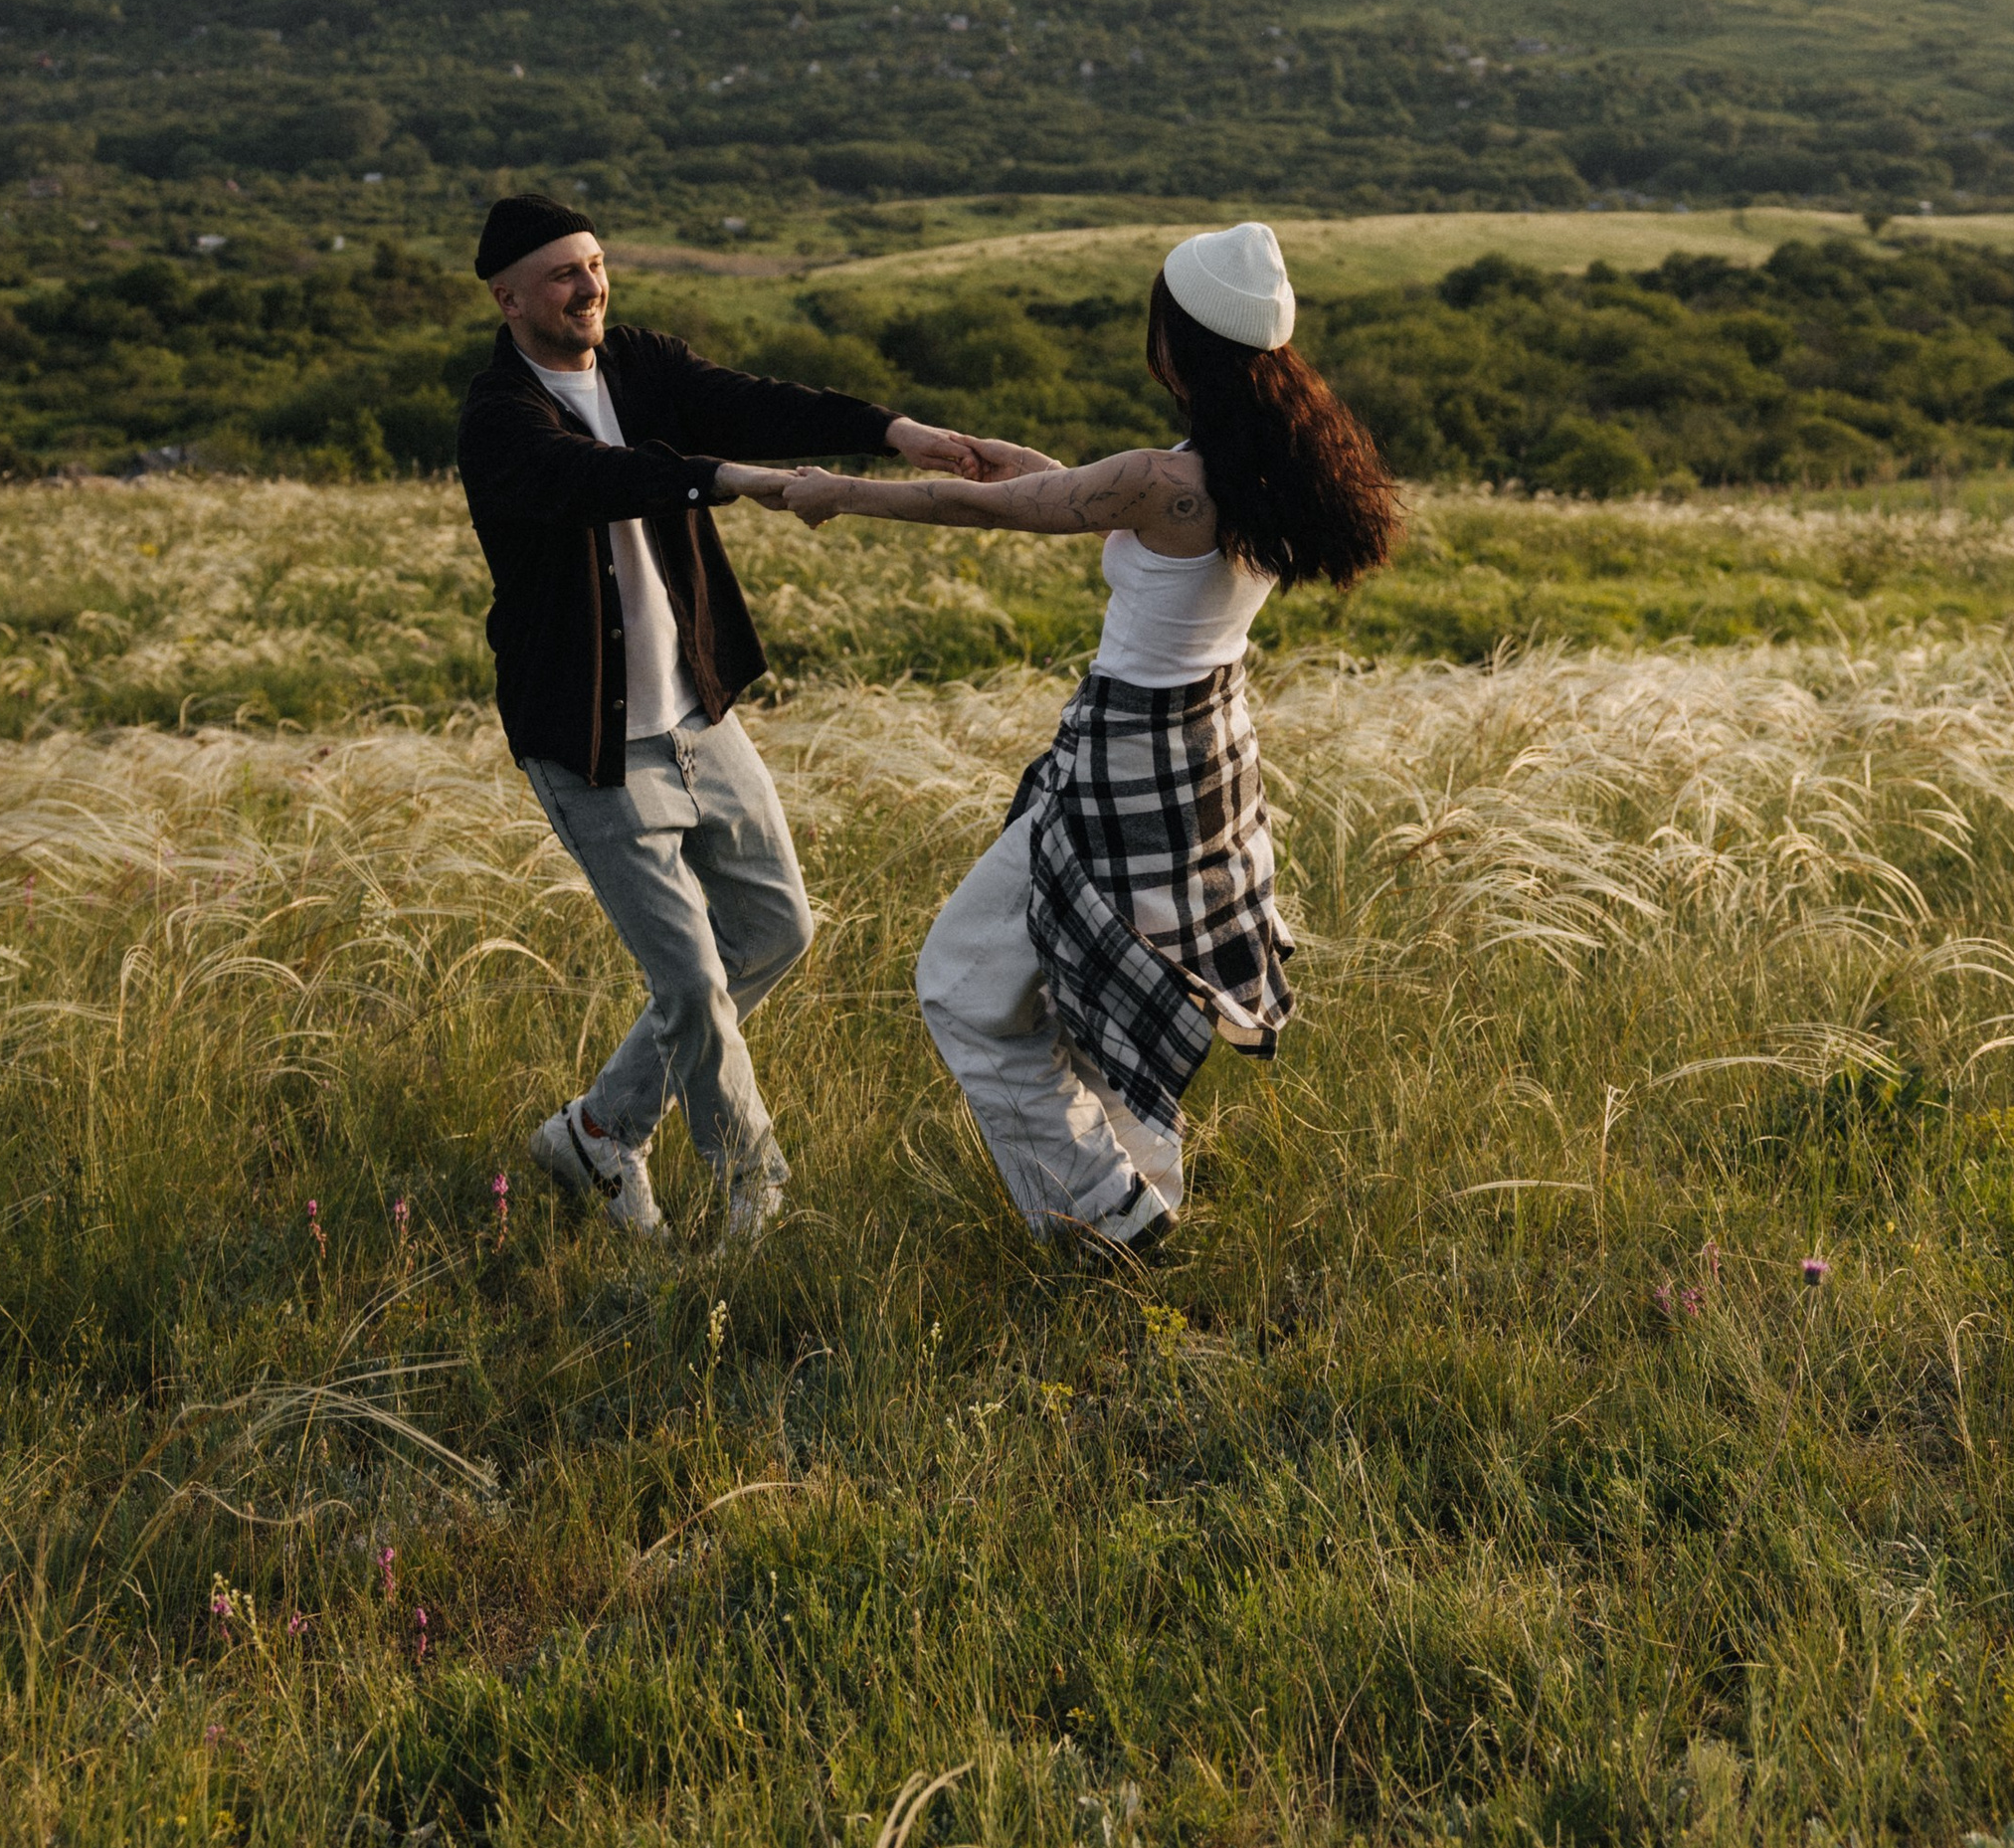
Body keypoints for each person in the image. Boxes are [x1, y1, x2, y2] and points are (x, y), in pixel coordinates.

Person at [777, 221, 1400, 1251]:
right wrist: (1008, 466)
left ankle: (1110, 1219)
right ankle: (1140, 1187)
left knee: (960, 987)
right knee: (1100, 972)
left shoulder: (1162, 478)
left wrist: (841, 493)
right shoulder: (1257, 468)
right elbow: (1083, 499)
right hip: (1201, 760)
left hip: (1120, 765)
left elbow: (1013, 510)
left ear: (1177, 342)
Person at [456, 195, 1035, 1241]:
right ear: (506, 299)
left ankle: (595, 1133)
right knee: (687, 984)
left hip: (698, 717)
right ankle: (753, 1190)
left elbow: (751, 399)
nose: (588, 286)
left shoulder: (634, 363)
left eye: (594, 264)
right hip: (593, 738)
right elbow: (596, 480)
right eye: (560, 275)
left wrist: (894, 434)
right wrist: (744, 486)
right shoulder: (499, 418)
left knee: (775, 929)